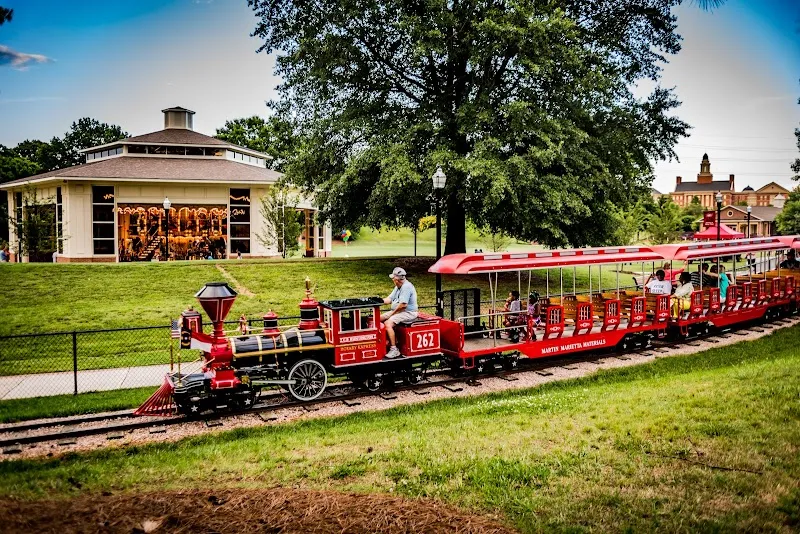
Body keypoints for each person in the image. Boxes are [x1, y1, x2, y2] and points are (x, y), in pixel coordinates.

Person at [381, 267, 418, 359]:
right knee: (378, 318)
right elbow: (389, 299)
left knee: (387, 323)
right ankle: (386, 341)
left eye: (393, 278)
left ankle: (394, 349)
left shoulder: (406, 287)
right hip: (400, 311)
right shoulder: (398, 287)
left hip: (408, 312)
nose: (392, 280)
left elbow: (403, 305)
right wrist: (377, 301)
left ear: (397, 280)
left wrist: (391, 314)